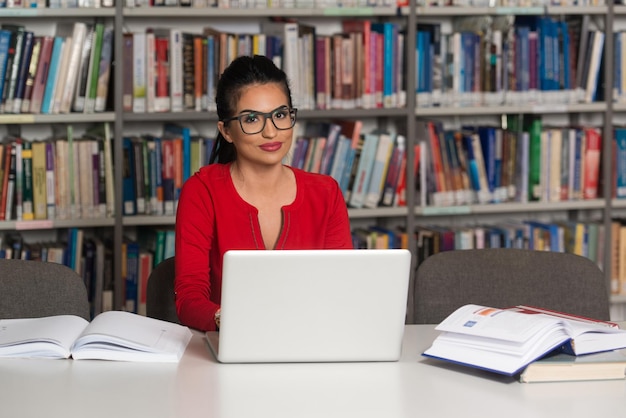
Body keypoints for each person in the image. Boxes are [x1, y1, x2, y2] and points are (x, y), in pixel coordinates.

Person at [174, 55, 354, 331]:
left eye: (280, 115)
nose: (271, 132)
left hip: (311, 344)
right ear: (227, 131)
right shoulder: (202, 191)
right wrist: (233, 322)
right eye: (251, 119)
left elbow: (341, 288)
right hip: (228, 347)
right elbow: (189, 297)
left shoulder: (326, 193)